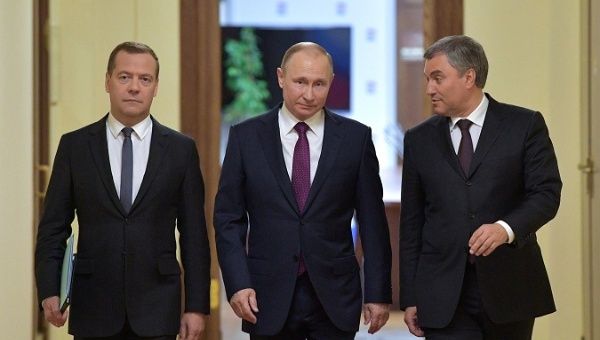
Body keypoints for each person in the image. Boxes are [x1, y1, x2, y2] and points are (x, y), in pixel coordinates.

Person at [214, 42, 392, 340]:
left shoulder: (355, 139)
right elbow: (228, 218)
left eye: (319, 84)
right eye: (300, 82)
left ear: (331, 83)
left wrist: (377, 292)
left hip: (335, 295)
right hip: (266, 295)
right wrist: (237, 282)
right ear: (281, 77)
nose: (309, 94)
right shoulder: (246, 138)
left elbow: (373, 222)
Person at [35, 41, 210, 340]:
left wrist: (196, 307)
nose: (134, 87)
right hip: (94, 306)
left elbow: (194, 234)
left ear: (155, 87)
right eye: (124, 77)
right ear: (108, 81)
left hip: (158, 307)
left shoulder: (181, 150)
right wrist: (50, 289)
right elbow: (53, 227)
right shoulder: (75, 147)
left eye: (145, 79)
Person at [399, 35, 562, 339]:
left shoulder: (524, 125)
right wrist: (409, 296)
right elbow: (412, 223)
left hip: (509, 288)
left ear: (469, 77)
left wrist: (505, 228)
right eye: (427, 79)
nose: (429, 89)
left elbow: (546, 193)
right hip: (442, 294)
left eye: (438, 78)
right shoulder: (418, 139)